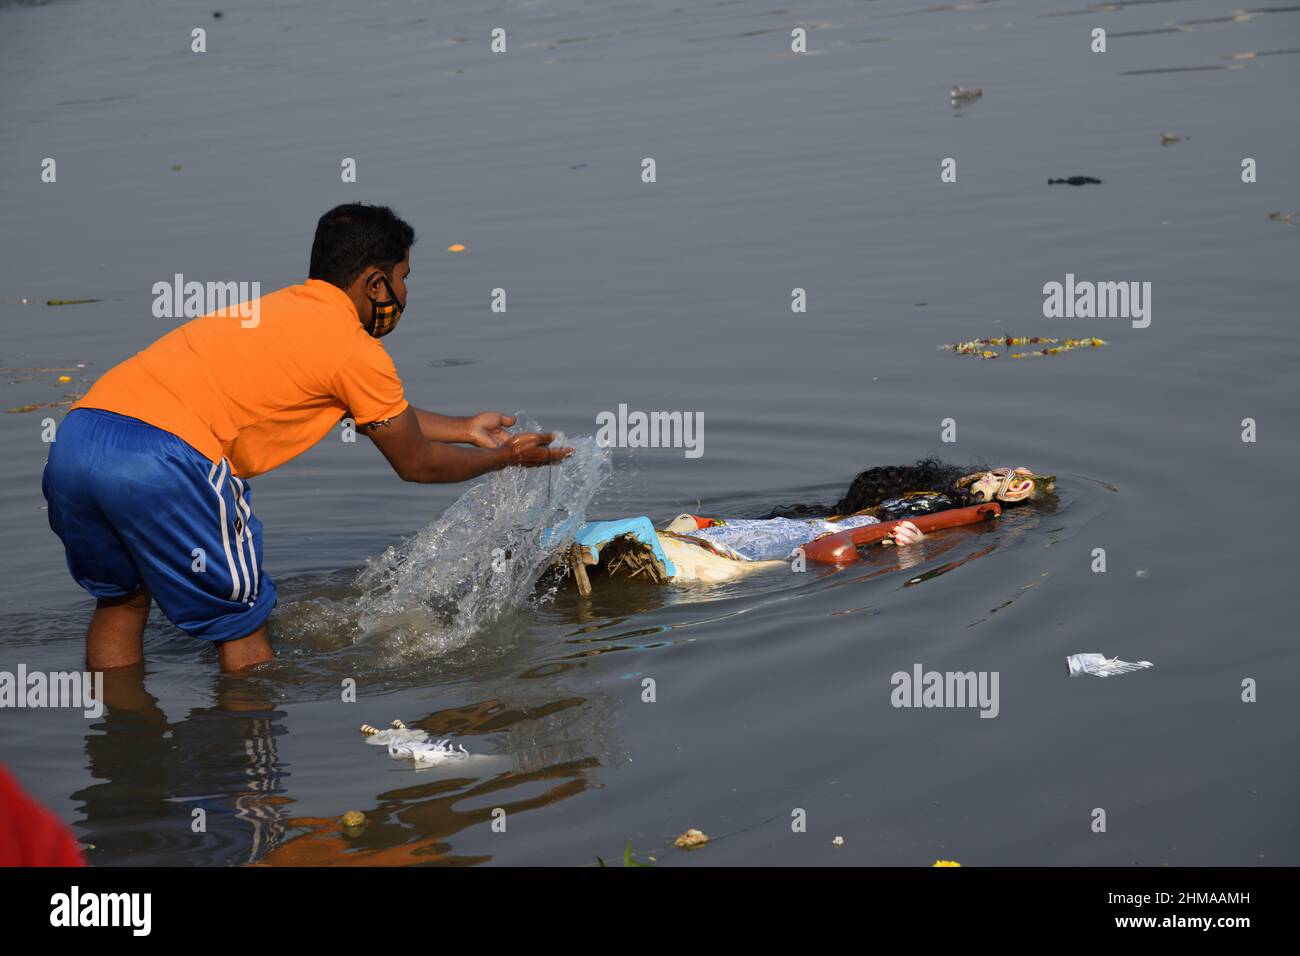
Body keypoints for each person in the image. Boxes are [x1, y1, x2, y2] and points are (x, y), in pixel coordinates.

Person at [42, 203, 571, 673]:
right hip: (164, 459)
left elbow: (368, 414)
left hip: (78, 442)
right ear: (374, 282)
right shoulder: (354, 349)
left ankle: (120, 737)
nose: (406, 293)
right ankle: (255, 770)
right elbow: (417, 463)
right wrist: (504, 460)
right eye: (404, 277)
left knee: (124, 600)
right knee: (241, 621)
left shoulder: (272, 311)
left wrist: (463, 430)